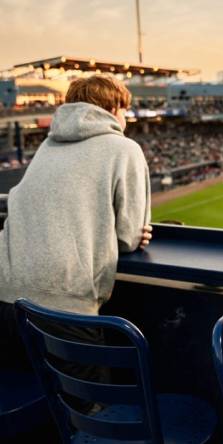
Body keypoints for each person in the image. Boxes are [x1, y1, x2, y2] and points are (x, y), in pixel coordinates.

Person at [0, 74, 152, 373]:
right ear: (113, 107)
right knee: (89, 410)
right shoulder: (124, 148)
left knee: (43, 404)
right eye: (124, 110)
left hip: (7, 301)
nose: (127, 118)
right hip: (64, 308)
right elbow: (128, 236)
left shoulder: (47, 146)